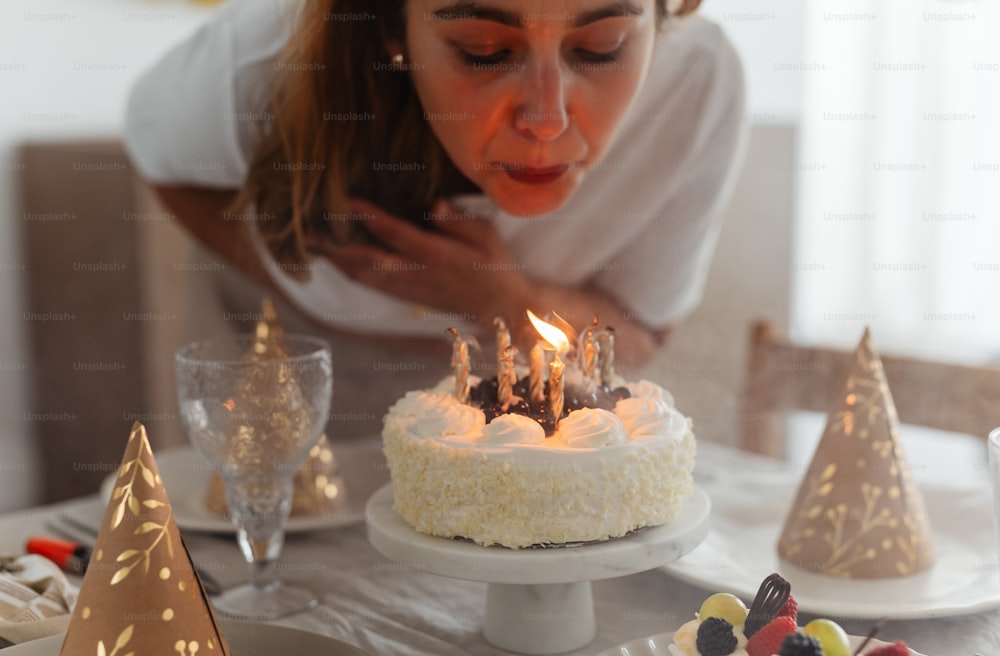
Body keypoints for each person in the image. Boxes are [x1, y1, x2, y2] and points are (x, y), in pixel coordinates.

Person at [124, 0, 746, 440]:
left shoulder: (698, 84)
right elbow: (160, 156)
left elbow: (640, 331)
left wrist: (505, 299)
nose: (546, 118)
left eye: (600, 47)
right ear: (393, 26)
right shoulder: (262, 60)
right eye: (483, 50)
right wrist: (310, 284)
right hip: (277, 382)